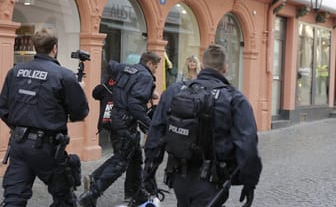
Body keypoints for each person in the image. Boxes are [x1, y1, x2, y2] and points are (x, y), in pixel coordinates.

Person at [143, 44, 262, 207]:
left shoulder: (176, 91)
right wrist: (250, 183)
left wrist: (149, 171)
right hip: (212, 182)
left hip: (179, 178)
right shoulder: (234, 98)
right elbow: (248, 146)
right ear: (225, 68)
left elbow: (156, 132)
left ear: (203, 66)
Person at [0, 28, 89, 207]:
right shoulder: (64, 76)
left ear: (35, 47)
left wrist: (23, 127)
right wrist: (79, 89)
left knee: (14, 199)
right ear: (54, 48)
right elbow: (80, 112)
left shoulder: (15, 72)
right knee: (64, 197)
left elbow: (3, 109)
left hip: (19, 145)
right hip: (47, 148)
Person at [78, 51, 161, 207]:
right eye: (155, 66)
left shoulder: (125, 69)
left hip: (115, 118)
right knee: (120, 162)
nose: (155, 70)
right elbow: (135, 105)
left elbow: (111, 65)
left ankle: (136, 193)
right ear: (149, 63)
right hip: (126, 122)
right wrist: (150, 126)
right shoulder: (145, 76)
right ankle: (92, 194)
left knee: (136, 158)